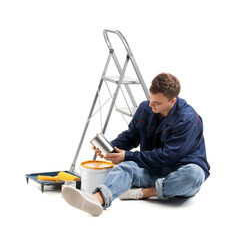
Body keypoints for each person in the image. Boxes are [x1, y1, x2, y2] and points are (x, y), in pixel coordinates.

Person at [62, 73, 210, 216]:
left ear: (173, 101)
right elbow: (132, 135)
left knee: (194, 175)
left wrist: (127, 156)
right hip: (154, 168)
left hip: (182, 173)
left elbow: (167, 156)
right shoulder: (146, 108)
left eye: (157, 103)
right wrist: (109, 148)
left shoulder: (189, 119)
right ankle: (96, 200)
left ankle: (146, 192)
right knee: (125, 167)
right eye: (150, 98)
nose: (151, 104)